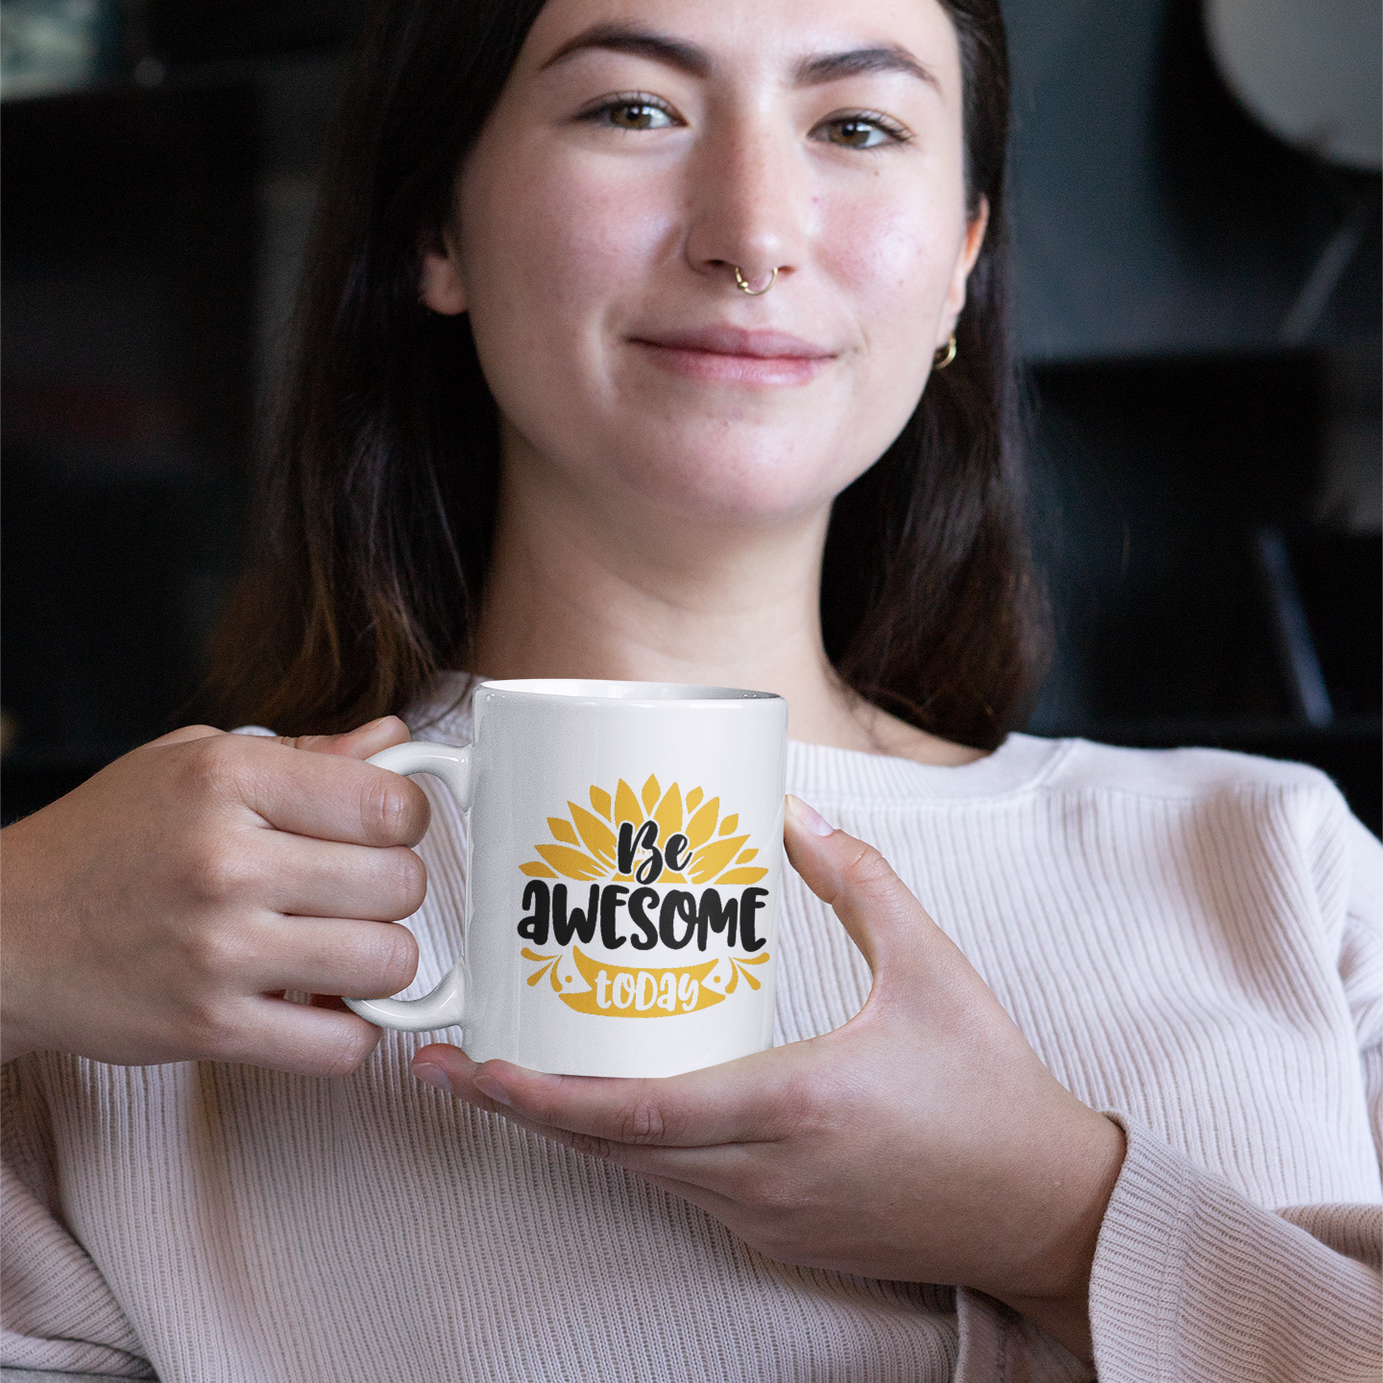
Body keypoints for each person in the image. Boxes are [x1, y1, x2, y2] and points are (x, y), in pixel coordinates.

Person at [2, 0, 1382, 1378]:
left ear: (961, 255)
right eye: (632, 109)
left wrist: (1060, 1217)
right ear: (436, 230)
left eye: (855, 125)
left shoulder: (1276, 866)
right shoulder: (145, 953)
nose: (753, 233)